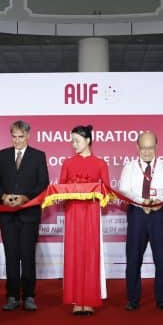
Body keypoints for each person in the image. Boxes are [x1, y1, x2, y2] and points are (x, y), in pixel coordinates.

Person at [0, 120, 50, 312]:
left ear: (28, 136)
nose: (17, 140)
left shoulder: (38, 156)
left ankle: (29, 296)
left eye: (21, 137)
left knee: (27, 256)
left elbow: (43, 183)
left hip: (29, 215)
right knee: (11, 256)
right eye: (14, 136)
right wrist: (3, 196)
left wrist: (26, 198)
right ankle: (12, 296)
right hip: (8, 215)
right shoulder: (2, 155)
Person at [118, 131, 163, 311]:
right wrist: (141, 201)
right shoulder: (129, 167)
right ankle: (132, 299)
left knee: (162, 258)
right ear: (137, 147)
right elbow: (124, 190)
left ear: (156, 147)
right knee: (133, 258)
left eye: (150, 148)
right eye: (143, 148)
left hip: (160, 214)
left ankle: (162, 299)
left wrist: (159, 201)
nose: (147, 152)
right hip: (137, 214)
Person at [59, 125, 110, 315]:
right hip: (72, 213)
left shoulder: (100, 163)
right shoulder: (67, 163)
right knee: (73, 253)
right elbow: (61, 189)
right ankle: (75, 299)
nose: (74, 145)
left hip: (91, 213)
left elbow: (107, 190)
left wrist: (96, 192)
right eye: (72, 141)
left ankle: (88, 299)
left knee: (90, 253)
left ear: (88, 140)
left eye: (77, 141)